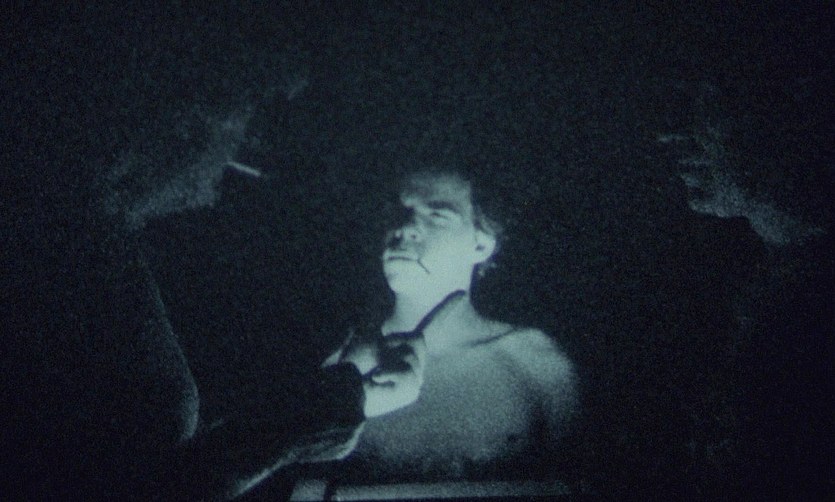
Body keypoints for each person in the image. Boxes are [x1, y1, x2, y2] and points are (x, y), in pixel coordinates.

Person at [325, 170, 578, 482]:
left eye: (437, 215)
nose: (405, 228)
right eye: (400, 213)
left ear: (481, 245)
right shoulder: (338, 364)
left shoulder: (535, 364)